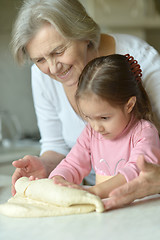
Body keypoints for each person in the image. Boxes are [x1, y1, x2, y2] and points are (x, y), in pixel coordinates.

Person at [11, 0, 160, 195]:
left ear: (83, 35)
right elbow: (63, 151)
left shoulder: (142, 60)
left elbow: (139, 167)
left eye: (59, 51)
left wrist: (97, 191)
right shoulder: (42, 76)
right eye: (40, 60)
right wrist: (47, 169)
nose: (53, 68)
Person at [48, 54, 160, 199]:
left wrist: (96, 191)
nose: (96, 127)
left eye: (104, 118)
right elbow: (72, 164)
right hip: (106, 211)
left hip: (139, 211)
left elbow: (136, 171)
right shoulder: (90, 133)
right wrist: (57, 180)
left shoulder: (144, 133)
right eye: (88, 118)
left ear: (129, 105)